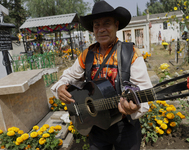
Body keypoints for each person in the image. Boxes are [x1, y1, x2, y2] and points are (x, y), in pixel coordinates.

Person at [51, 1, 152, 150]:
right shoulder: (87, 55)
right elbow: (69, 76)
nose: (101, 29)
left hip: (125, 128)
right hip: (96, 127)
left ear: (116, 25)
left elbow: (144, 88)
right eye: (96, 25)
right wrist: (60, 86)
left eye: (107, 23)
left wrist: (135, 107)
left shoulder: (130, 53)